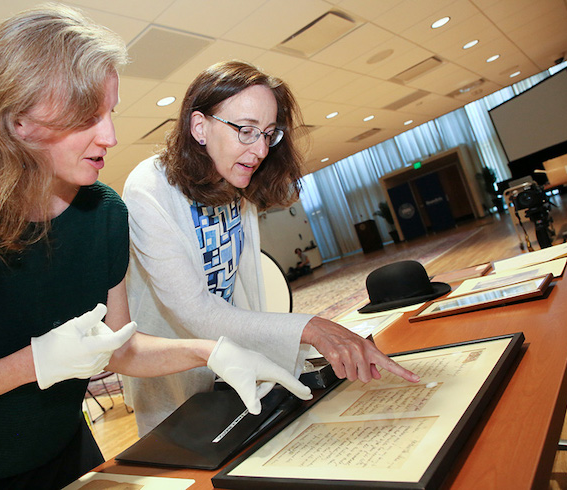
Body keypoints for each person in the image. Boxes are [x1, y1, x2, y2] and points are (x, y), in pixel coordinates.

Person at [0, 7, 311, 489]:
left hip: (55, 447)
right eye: (87, 117)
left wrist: (214, 353)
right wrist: (31, 364)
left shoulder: (103, 213)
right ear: (18, 120)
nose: (111, 137)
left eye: (110, 112)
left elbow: (122, 347)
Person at [122, 60, 420, 436]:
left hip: (230, 355)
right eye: (245, 131)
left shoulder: (237, 181)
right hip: (172, 370)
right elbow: (193, 309)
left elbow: (243, 290)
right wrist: (311, 328)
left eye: (268, 133)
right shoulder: (148, 188)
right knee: (186, 454)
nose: (261, 149)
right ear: (199, 127)